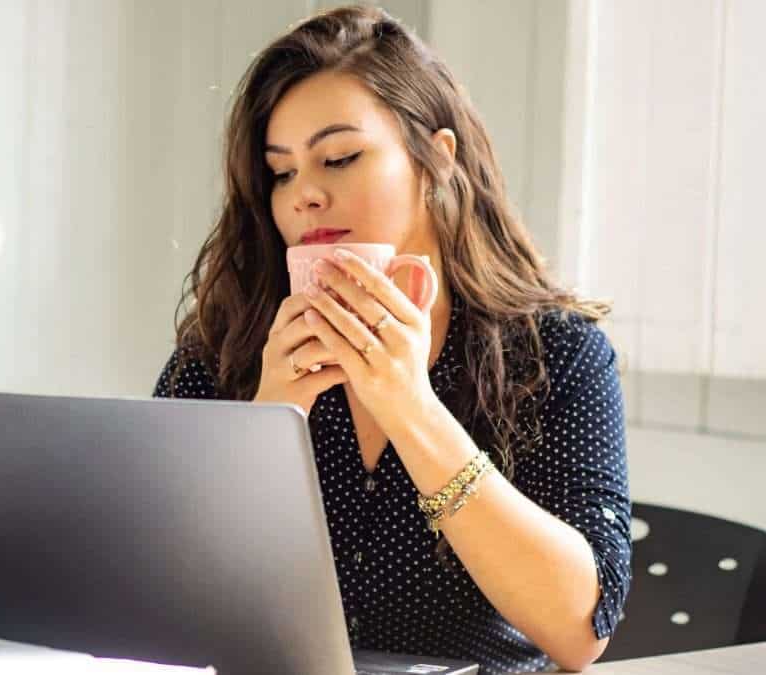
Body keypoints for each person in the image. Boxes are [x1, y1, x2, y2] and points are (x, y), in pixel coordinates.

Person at [152, 6, 630, 673]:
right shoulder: (224, 350)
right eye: (281, 172)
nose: (304, 196)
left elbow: (580, 629)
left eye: (340, 158)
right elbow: (153, 604)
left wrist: (412, 407)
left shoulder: (558, 355)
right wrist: (263, 427)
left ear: (436, 158)